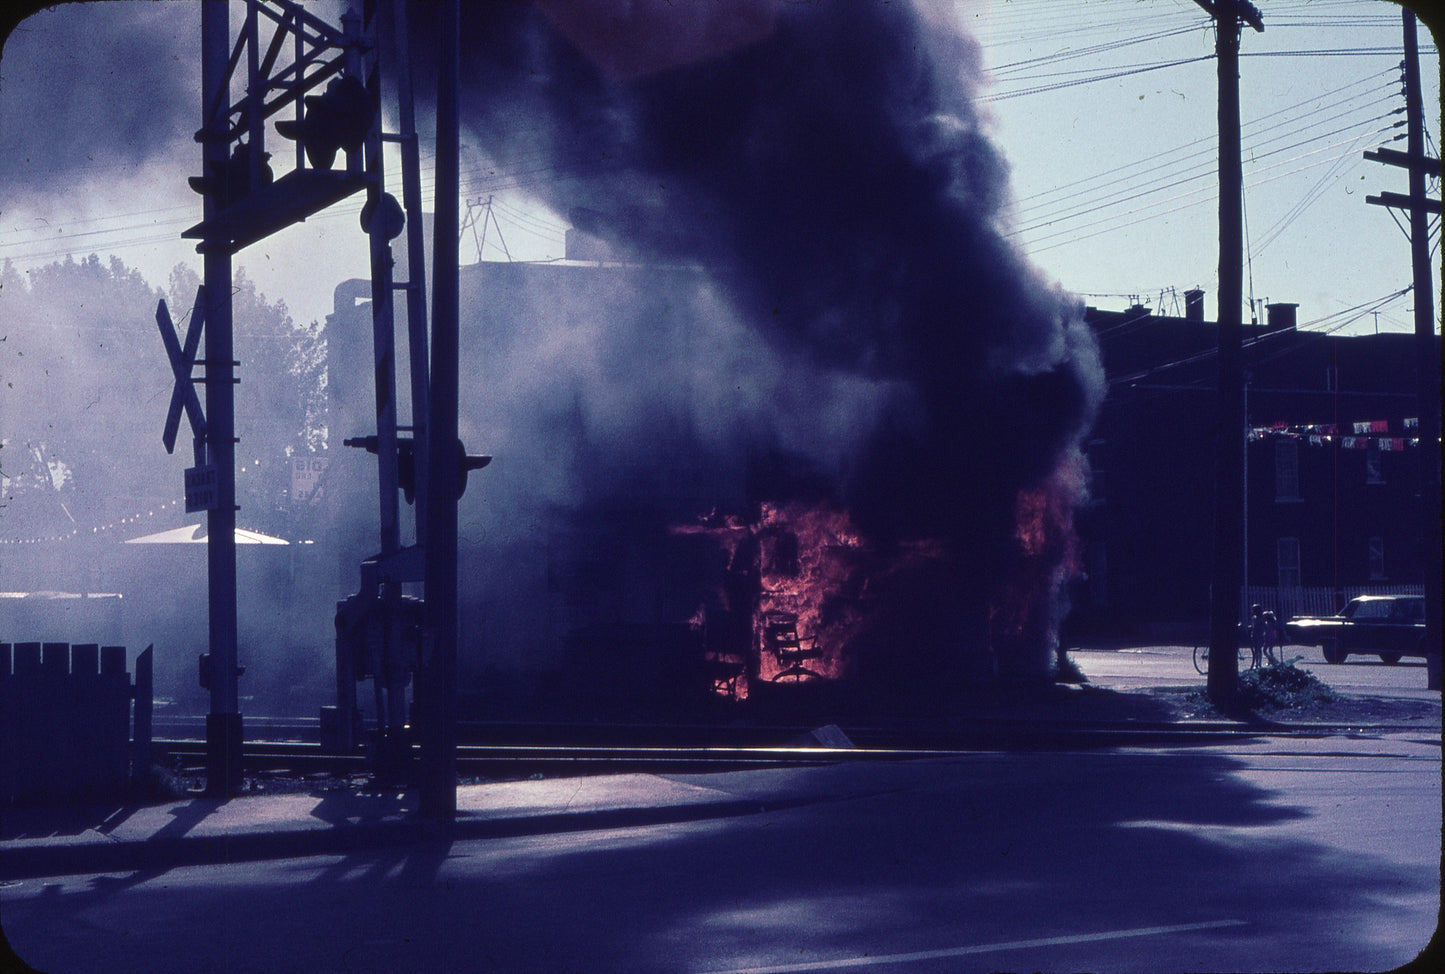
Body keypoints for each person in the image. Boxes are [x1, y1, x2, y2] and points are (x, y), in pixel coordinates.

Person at [1249, 604, 1265, 669]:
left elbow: (1263, 626)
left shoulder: (1261, 618)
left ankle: (1259, 663)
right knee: (1256, 649)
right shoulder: (1254, 618)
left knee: (1259, 649)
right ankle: (1256, 662)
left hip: (1259, 635)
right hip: (1255, 634)